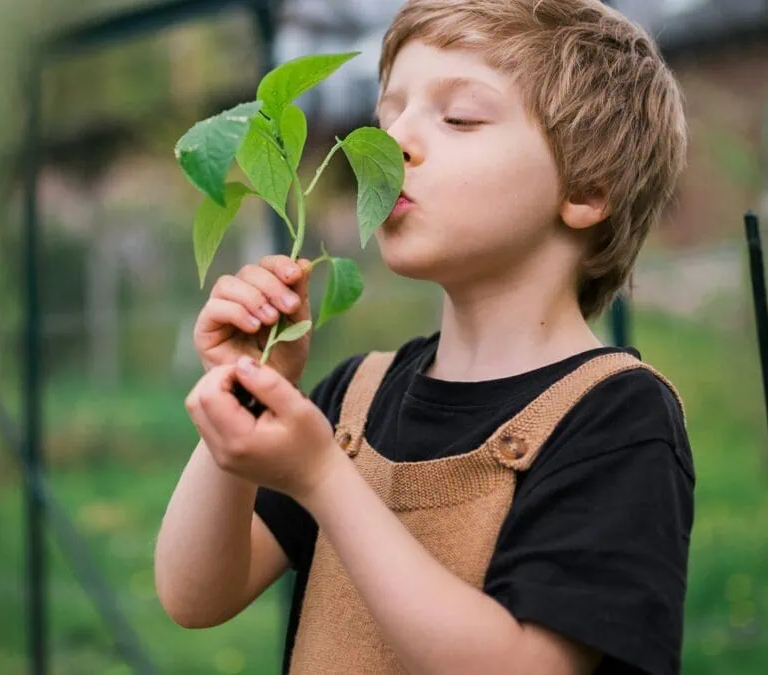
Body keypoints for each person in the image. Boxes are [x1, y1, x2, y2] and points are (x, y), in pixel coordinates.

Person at [154, 0, 694, 672]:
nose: (391, 143)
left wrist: (324, 478)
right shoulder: (355, 399)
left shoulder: (617, 417)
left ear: (586, 189)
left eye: (458, 117)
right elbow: (196, 594)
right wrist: (242, 388)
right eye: (386, 118)